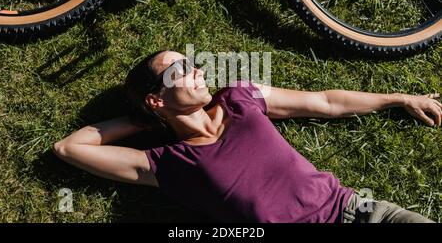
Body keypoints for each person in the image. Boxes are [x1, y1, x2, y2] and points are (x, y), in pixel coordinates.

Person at [53, 50, 440, 223]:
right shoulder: (169, 164)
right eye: (181, 69)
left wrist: (400, 98)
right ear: (156, 97)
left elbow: (324, 102)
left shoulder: (239, 97)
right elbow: (69, 147)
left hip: (360, 213)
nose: (198, 70)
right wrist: (145, 120)